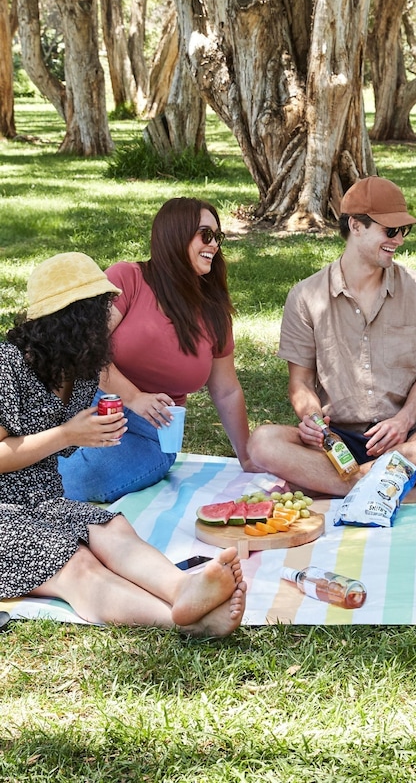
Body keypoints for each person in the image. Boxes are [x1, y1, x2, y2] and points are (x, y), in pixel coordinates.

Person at [0, 252, 246, 636]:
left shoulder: (78, 369)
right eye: (97, 311)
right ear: (67, 319)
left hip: (42, 499)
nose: (105, 322)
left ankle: (183, 589)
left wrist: (94, 433)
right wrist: (68, 436)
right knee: (78, 565)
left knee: (111, 528)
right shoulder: (8, 366)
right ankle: (182, 623)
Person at [247, 176, 416, 502]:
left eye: (403, 231)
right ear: (356, 226)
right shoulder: (306, 295)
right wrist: (314, 423)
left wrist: (403, 420)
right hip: (335, 439)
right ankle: (402, 492)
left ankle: (327, 485)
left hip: (405, 436)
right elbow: (300, 382)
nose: (398, 240)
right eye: (390, 231)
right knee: (262, 442)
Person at [58, 197, 254, 502]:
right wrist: (134, 397)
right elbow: (84, 348)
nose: (214, 244)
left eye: (218, 236)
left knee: (82, 480)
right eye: (205, 234)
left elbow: (226, 390)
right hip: (88, 401)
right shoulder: (129, 278)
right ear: (175, 234)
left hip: (151, 432)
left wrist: (247, 455)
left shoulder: (214, 311)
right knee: (34, 456)